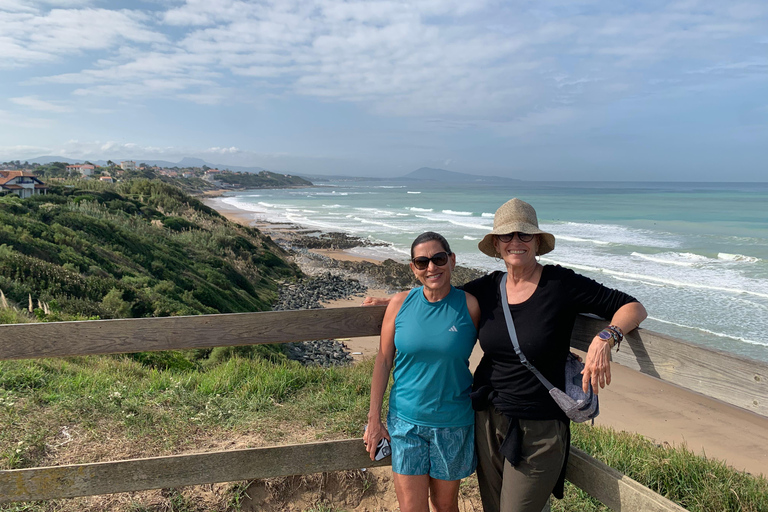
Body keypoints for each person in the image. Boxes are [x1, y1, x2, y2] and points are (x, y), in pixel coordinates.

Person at [364, 199, 647, 512]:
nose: (515, 242)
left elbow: (632, 307)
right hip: (489, 420)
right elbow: (437, 294)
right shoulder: (487, 289)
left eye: (524, 235)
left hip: (539, 427)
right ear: (496, 244)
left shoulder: (560, 284)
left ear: (537, 241)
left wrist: (605, 338)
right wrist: (395, 302)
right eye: (507, 236)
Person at [364, 231, 481, 512]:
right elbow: (382, 360)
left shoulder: (470, 306)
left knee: (444, 505)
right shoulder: (400, 304)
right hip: (406, 423)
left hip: (453, 423)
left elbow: (505, 336)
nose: (431, 267)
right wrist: (374, 419)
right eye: (422, 262)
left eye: (438, 258)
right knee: (412, 508)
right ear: (413, 268)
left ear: (452, 260)